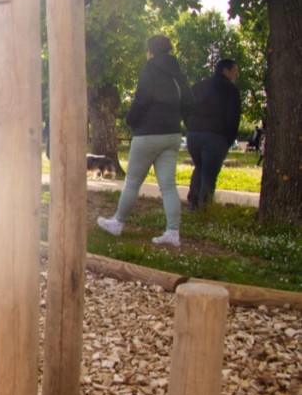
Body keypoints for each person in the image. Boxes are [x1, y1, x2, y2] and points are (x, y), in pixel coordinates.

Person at [96, 34, 194, 246]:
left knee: (132, 182)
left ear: (150, 51)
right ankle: (173, 232)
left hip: (148, 134)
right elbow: (188, 101)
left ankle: (118, 222)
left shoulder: (150, 69)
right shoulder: (177, 73)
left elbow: (142, 99)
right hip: (172, 134)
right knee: (168, 186)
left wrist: (130, 120)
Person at [186, 58, 241, 211]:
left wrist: (190, 126)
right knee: (209, 174)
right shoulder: (230, 89)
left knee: (199, 168)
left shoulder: (198, 86)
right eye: (235, 71)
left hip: (193, 134)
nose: (236, 75)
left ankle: (193, 204)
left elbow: (186, 107)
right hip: (215, 136)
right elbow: (233, 116)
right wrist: (229, 139)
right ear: (226, 70)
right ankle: (204, 209)